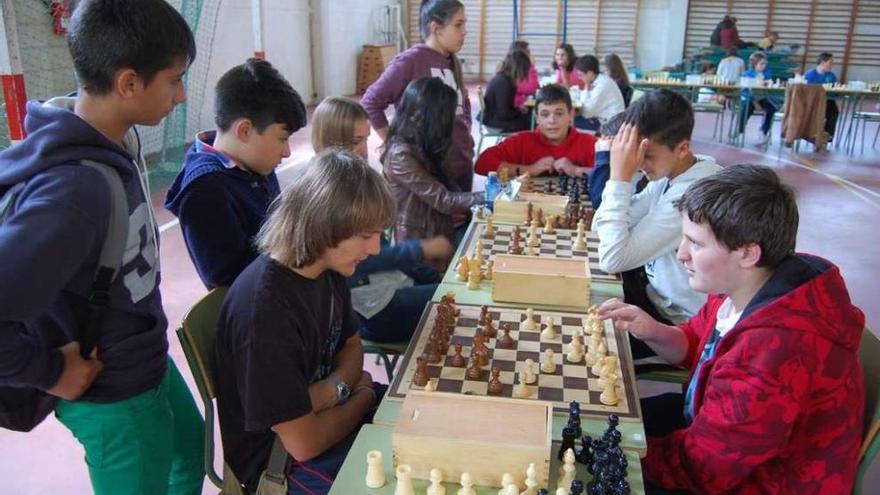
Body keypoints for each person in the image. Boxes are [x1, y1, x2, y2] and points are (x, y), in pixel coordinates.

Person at [0, 1, 204, 494]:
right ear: (128, 83)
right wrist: (51, 372)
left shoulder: (111, 137)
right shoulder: (74, 192)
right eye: (174, 80)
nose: (180, 96)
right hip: (113, 394)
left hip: (142, 356)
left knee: (190, 452)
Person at [598, 164, 865, 494]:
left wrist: (605, 455)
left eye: (695, 243)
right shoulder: (745, 286)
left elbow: (705, 469)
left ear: (747, 253)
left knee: (591, 461)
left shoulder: (774, 350)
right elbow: (701, 345)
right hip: (710, 426)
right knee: (599, 421)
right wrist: (653, 330)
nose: (681, 254)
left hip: (763, 480)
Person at [215, 150, 392, 494]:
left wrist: (328, 393)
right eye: (367, 235)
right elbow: (304, 443)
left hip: (326, 420)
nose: (376, 249)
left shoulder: (326, 268)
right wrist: (361, 394)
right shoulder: (265, 312)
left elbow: (353, 348)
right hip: (281, 466)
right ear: (326, 227)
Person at [311, 96, 453, 343]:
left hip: (394, 285)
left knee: (458, 293)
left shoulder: (357, 179)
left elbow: (384, 249)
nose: (363, 150)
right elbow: (365, 260)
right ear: (330, 139)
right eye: (355, 141)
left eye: (366, 138)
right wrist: (420, 249)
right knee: (461, 304)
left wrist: (430, 275)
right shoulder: (326, 193)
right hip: (373, 309)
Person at [592, 90, 722, 358]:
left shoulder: (693, 192)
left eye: (646, 155)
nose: (639, 164)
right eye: (634, 154)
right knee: (588, 297)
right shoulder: (671, 174)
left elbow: (612, 257)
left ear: (683, 147)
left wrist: (620, 176)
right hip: (655, 298)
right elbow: (599, 228)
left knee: (589, 333)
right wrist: (622, 177)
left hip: (680, 322)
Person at [164, 58, 307, 289]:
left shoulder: (256, 161)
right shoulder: (205, 190)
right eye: (282, 138)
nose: (287, 151)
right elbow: (229, 281)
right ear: (245, 130)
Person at [362, 0, 474, 193]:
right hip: (429, 173)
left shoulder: (452, 61)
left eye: (464, 24)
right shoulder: (411, 60)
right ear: (436, 28)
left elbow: (462, 108)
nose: (464, 31)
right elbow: (370, 102)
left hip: (460, 165)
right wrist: (394, 144)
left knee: (464, 222)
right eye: (458, 24)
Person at [382, 77, 484, 244]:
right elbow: (444, 200)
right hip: (423, 242)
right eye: (448, 116)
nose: (452, 122)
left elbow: (451, 189)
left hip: (443, 225)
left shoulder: (424, 141)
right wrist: (493, 194)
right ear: (431, 116)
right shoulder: (400, 155)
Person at [474, 84, 596, 177]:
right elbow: (482, 164)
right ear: (537, 118)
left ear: (571, 115)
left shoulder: (589, 143)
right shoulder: (521, 141)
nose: (552, 120)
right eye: (544, 114)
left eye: (559, 113)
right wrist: (529, 169)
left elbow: (611, 173)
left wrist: (576, 170)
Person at [481, 49, 532, 132]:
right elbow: (503, 114)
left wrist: (518, 109)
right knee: (531, 121)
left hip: (494, 120)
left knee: (529, 116)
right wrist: (518, 111)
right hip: (496, 124)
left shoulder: (503, 79)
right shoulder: (503, 83)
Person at [573, 55, 625, 132]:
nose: (579, 78)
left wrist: (585, 89)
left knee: (571, 122)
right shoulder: (599, 80)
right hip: (605, 119)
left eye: (581, 75)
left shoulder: (602, 85)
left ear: (590, 73)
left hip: (610, 125)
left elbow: (587, 113)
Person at [740, 51, 777, 145]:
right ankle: (740, 131)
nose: (763, 66)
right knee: (747, 108)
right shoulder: (747, 74)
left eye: (765, 64)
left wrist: (768, 83)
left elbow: (770, 84)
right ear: (754, 64)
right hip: (749, 98)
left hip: (762, 98)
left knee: (772, 108)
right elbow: (745, 90)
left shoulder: (766, 74)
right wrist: (755, 102)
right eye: (761, 64)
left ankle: (763, 132)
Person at [804, 52, 840, 143]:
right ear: (823, 62)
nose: (832, 65)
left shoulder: (831, 76)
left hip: (827, 100)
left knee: (834, 111)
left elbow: (835, 91)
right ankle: (812, 135)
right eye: (830, 62)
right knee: (817, 114)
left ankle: (827, 135)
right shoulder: (810, 75)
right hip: (813, 101)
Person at [509, 40, 540, 108]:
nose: (531, 55)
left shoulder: (521, 70)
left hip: (521, 105)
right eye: (528, 52)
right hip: (516, 110)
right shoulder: (513, 72)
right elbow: (532, 89)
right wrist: (531, 67)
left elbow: (537, 87)